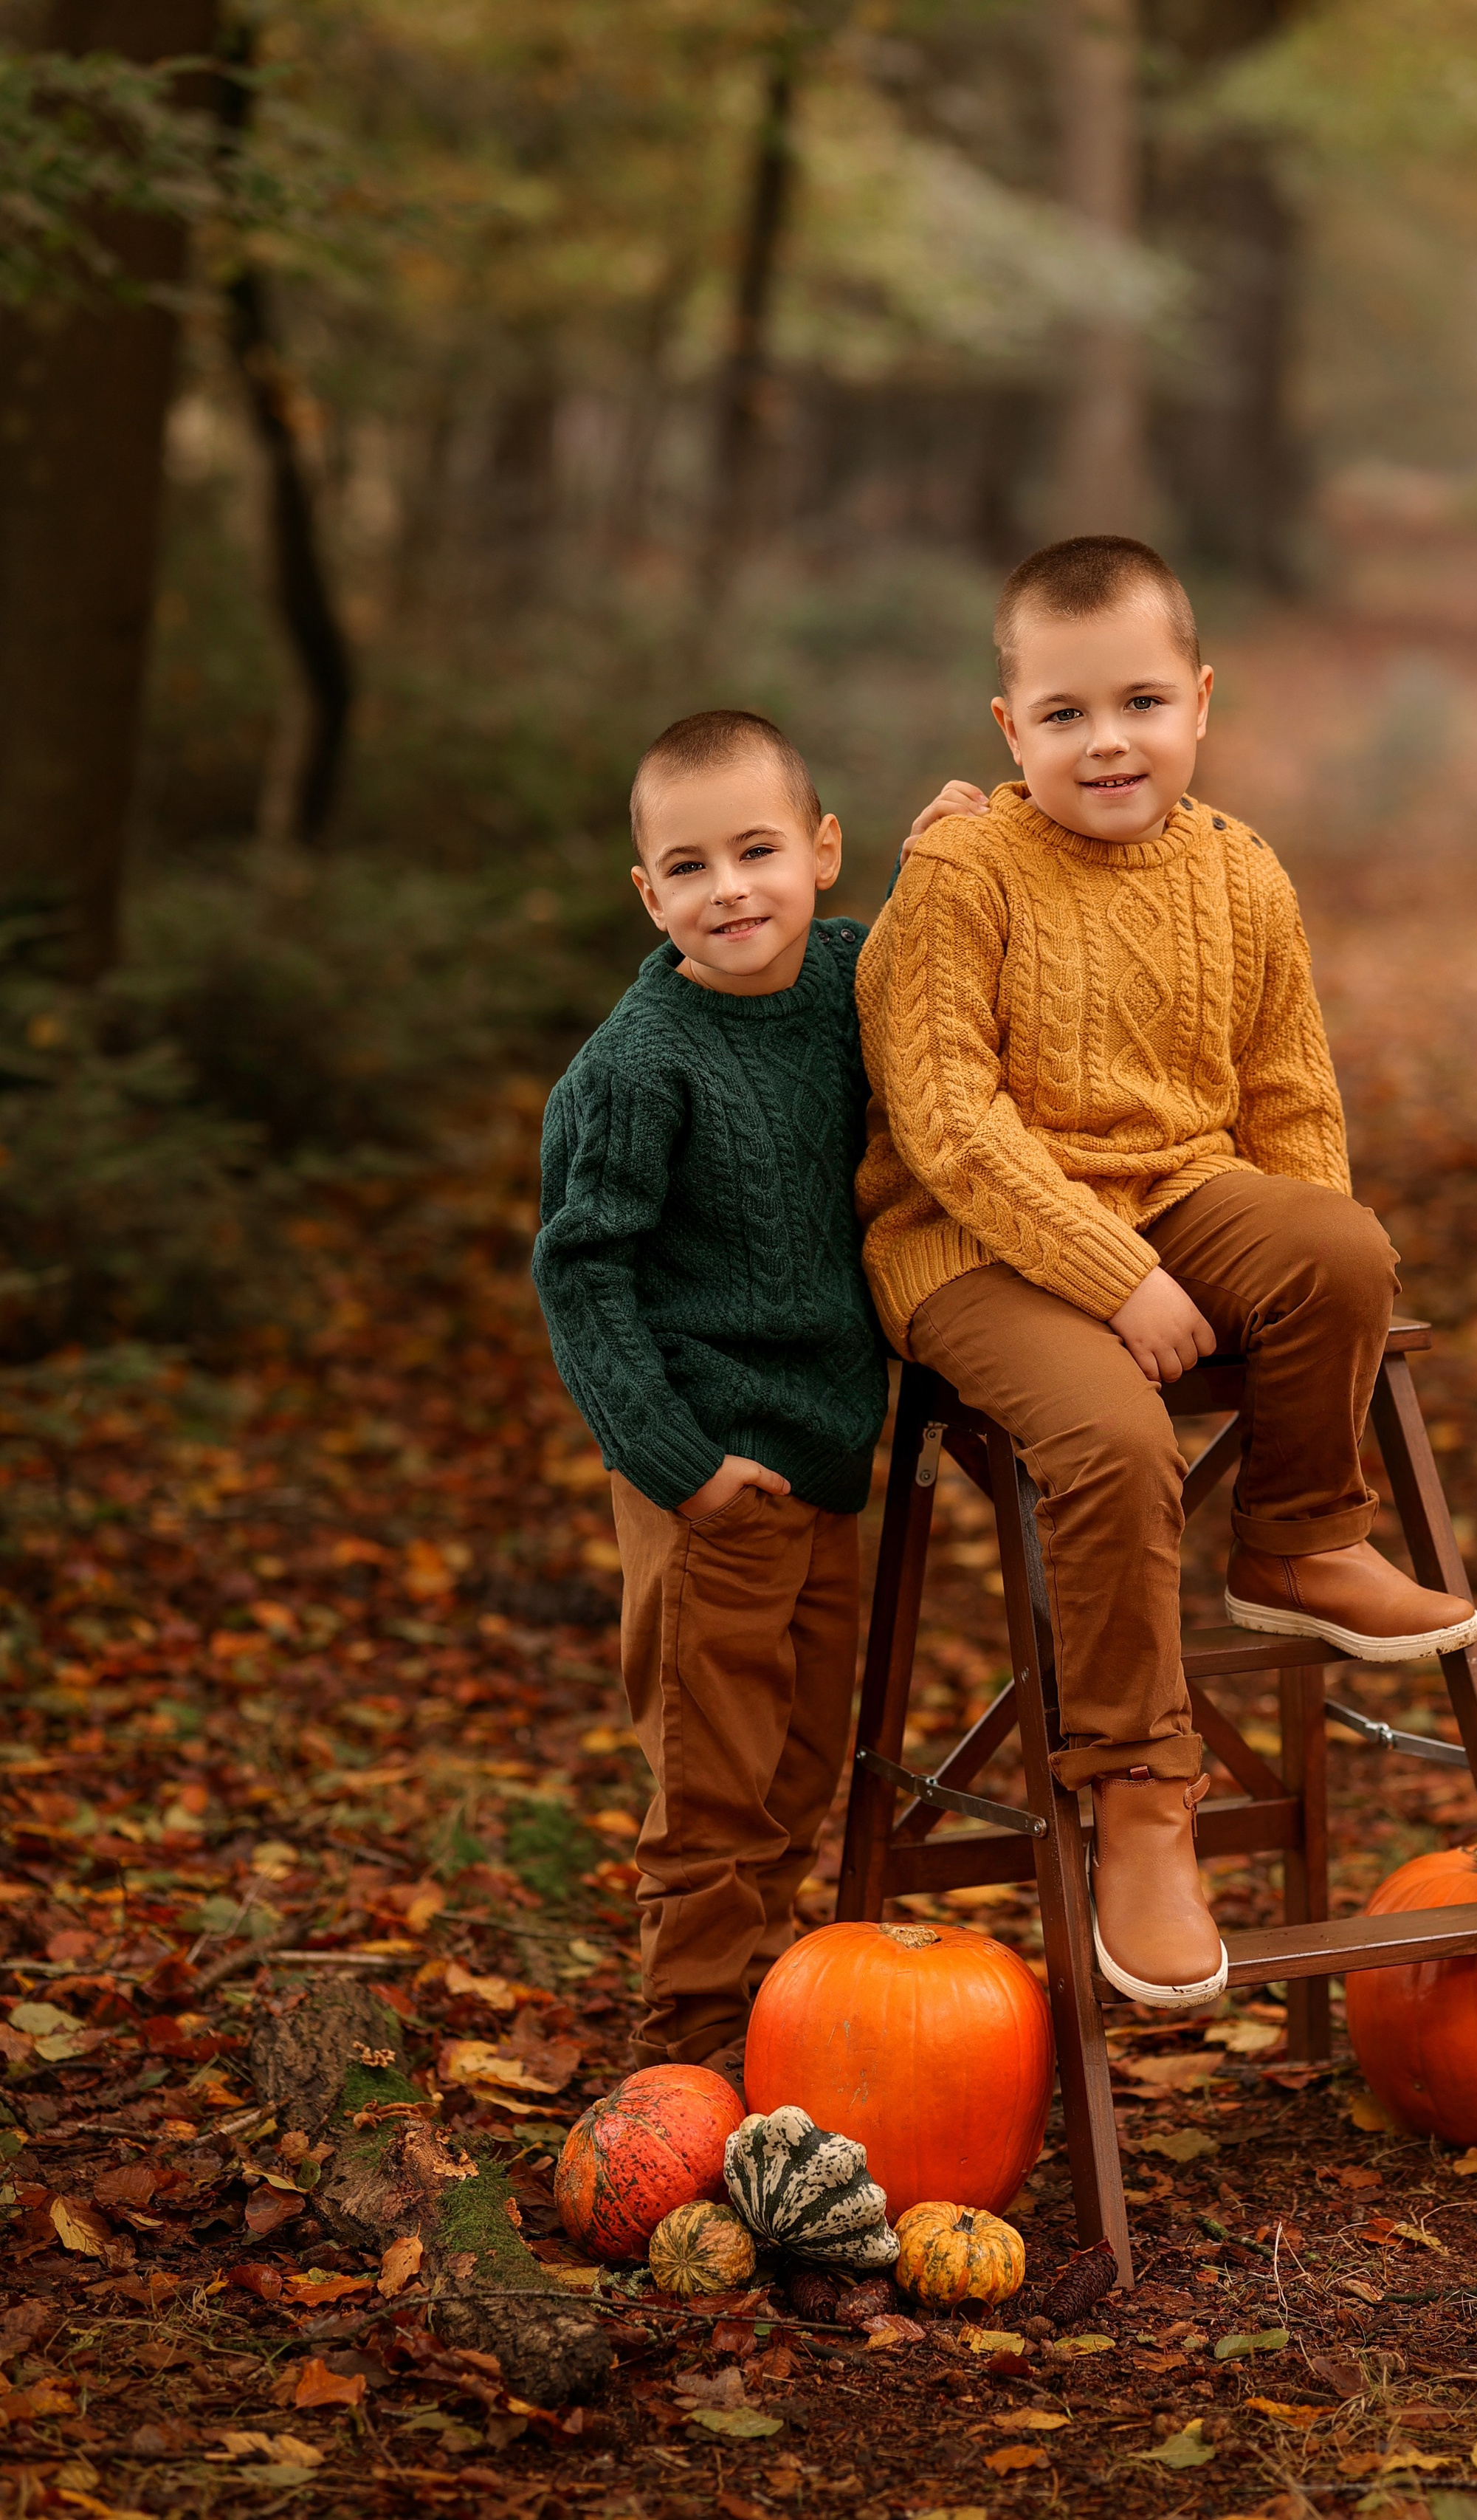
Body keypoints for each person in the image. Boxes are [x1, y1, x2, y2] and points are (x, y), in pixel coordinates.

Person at [855, 535, 1477, 2008]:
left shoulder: (1240, 871)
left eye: (1139, 702)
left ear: (1198, 700)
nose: (1107, 742)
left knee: (1341, 1245)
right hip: (966, 1237)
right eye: (1063, 713)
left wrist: (1289, 1293)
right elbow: (946, 1123)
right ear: (1009, 727)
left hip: (1177, 1194)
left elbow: (1290, 1104)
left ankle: (1300, 1536)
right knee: (1113, 1432)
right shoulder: (962, 869)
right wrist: (1110, 1278)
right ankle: (1141, 1792)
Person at [533, 710, 886, 2100]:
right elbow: (583, 1273)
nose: (730, 889)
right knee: (713, 1777)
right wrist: (678, 1461)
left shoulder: (850, 977)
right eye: (690, 867)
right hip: (710, 1474)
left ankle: (763, 2019)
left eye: (758, 851)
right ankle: (682, 2060)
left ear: (823, 850)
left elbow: (958, 939)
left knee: (804, 1759)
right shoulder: (637, 1065)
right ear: (649, 893)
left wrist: (965, 837)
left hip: (826, 1462)